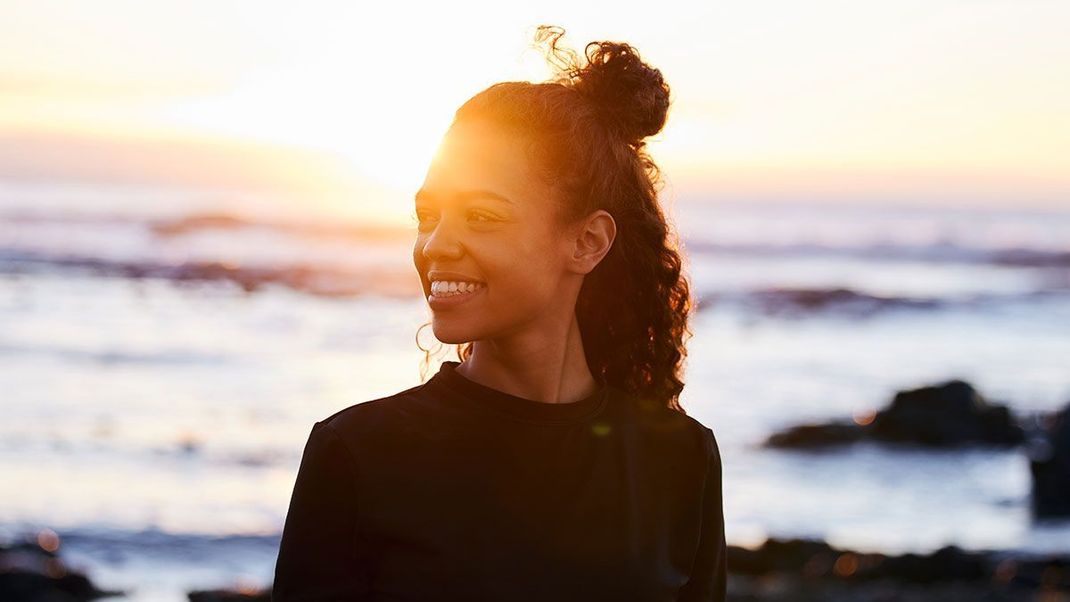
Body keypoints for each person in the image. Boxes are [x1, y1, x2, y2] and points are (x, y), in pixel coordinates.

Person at [271, 25, 726, 602]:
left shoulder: (681, 460)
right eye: (427, 214)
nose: (436, 244)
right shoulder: (358, 453)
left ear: (587, 242)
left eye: (482, 217)